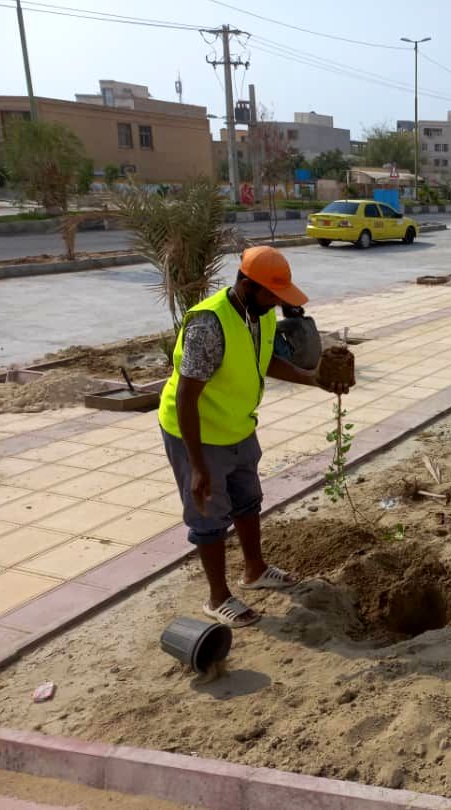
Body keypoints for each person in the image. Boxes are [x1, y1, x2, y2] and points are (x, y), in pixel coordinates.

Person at [158, 246, 351, 628]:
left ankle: (255, 570)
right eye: (271, 294)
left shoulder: (257, 315)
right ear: (246, 284)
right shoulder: (208, 324)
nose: (277, 301)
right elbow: (186, 395)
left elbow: (266, 361)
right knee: (208, 514)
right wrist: (197, 466)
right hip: (196, 432)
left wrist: (313, 379)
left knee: (248, 500)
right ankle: (217, 597)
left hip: (239, 426)